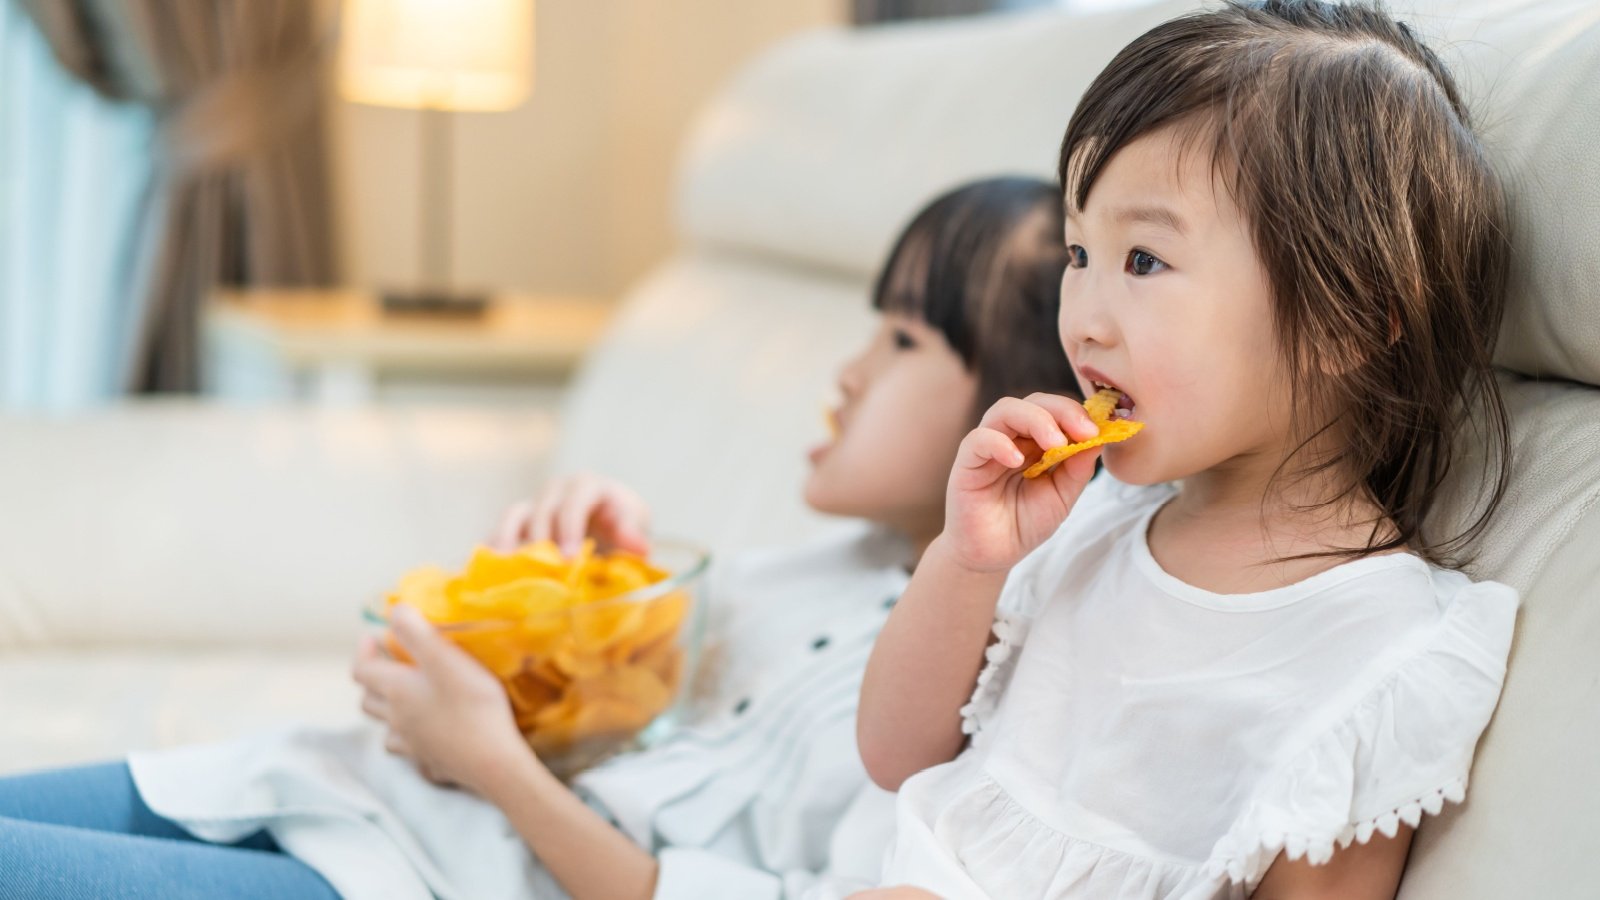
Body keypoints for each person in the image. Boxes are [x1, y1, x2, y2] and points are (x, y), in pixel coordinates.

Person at [0, 177, 1082, 900]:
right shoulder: (818, 569)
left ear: (1021, 407)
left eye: (897, 340)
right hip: (318, 783)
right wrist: (595, 588)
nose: (846, 373)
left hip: (415, 874)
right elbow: (625, 726)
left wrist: (489, 760)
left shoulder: (976, 702)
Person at [855, 3, 1521, 898]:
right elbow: (897, 759)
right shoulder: (1090, 527)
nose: (1082, 319)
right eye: (1077, 252)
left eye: (1142, 261)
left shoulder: (1379, 657)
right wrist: (968, 560)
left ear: (1350, 316)